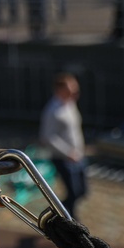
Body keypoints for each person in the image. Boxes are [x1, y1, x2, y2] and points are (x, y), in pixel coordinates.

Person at [40, 72, 87, 219]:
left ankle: (59, 211)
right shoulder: (52, 111)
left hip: (78, 155)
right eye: (70, 89)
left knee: (82, 191)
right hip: (64, 158)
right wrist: (68, 152)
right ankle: (71, 221)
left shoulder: (70, 104)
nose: (74, 92)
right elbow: (47, 137)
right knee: (73, 192)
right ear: (59, 90)